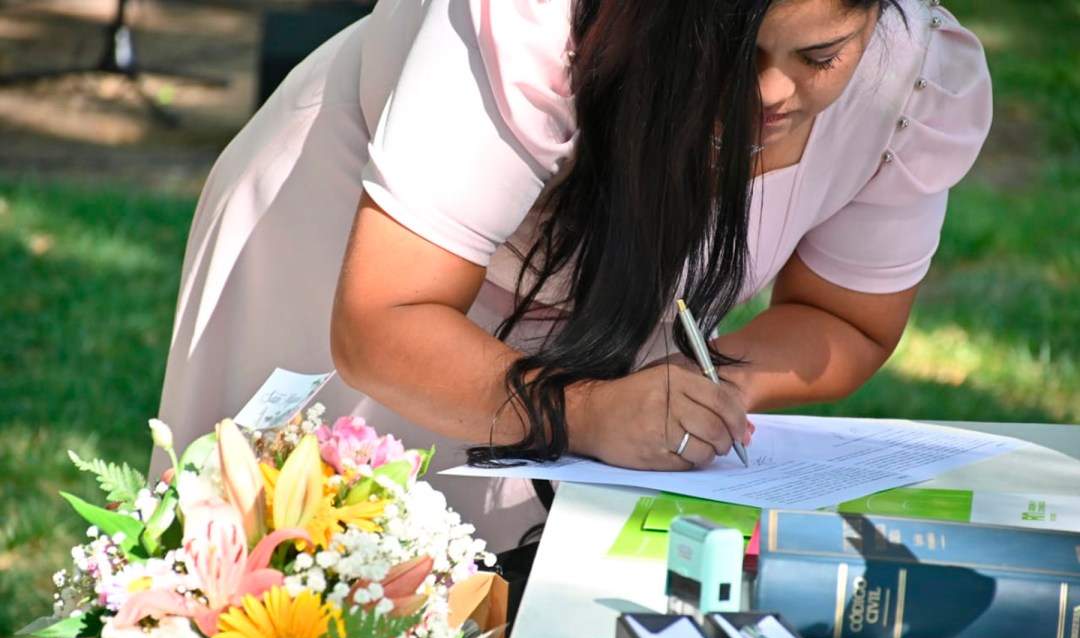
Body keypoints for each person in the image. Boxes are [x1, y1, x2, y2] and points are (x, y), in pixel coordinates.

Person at [154, 0, 992, 552]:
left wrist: (704, 389)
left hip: (597, 328)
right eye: (732, 55)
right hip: (356, 253)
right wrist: (585, 411)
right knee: (304, 588)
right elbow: (383, 319)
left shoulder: (909, 78)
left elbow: (847, 320)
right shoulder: (535, 22)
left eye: (819, 55)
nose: (770, 92)